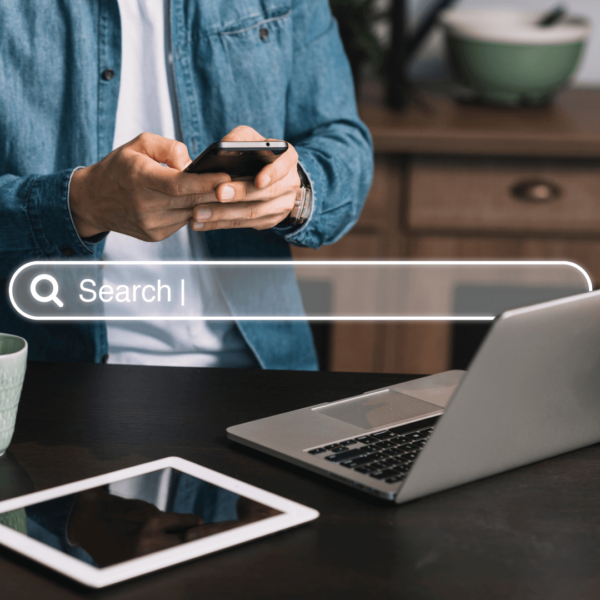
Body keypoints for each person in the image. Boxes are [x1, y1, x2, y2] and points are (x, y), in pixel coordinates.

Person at [0, 0, 373, 370]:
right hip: (52, 376)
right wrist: (78, 204)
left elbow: (343, 144)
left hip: (264, 369)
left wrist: (295, 190)